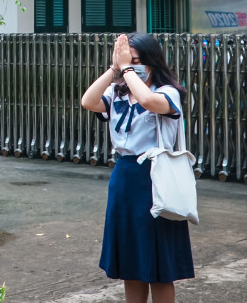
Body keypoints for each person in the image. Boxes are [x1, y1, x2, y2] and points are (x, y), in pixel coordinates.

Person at [81, 32, 194, 303]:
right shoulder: (117, 92)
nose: (130, 66)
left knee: (159, 266)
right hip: (125, 177)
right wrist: (113, 69)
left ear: (151, 60)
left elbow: (148, 102)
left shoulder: (168, 93)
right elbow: (88, 101)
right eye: (126, 60)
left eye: (136, 60)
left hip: (155, 178)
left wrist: (127, 69)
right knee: (130, 263)